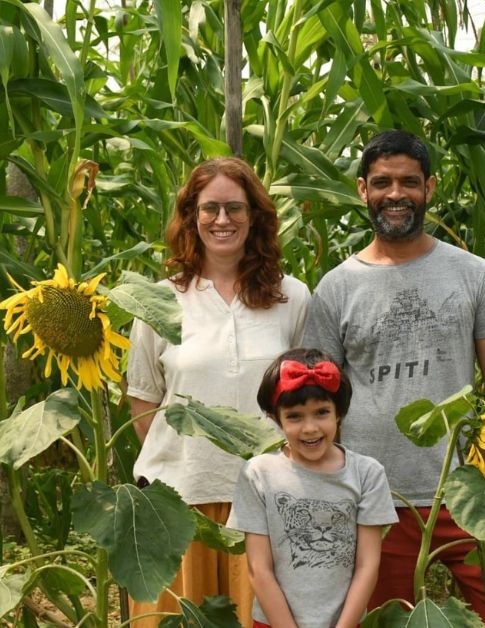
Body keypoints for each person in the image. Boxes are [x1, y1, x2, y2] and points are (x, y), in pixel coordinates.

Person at [302, 130, 485, 627]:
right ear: (362, 189)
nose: (395, 194)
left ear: (430, 188)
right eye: (382, 182)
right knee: (381, 622)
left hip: (466, 490)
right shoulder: (337, 287)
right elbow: (321, 398)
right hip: (375, 496)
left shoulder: (470, 273)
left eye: (408, 182)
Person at [125, 157, 310, 627]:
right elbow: (144, 400)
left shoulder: (292, 298)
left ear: (256, 216)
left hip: (266, 499)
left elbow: (309, 400)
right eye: (209, 209)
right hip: (178, 500)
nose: (222, 220)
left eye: (235, 208)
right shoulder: (158, 299)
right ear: (191, 217)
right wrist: (183, 465)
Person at [227, 348, 398, 628]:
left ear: (339, 413)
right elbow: (259, 569)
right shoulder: (258, 474)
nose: (310, 428)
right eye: (294, 416)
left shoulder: (367, 474)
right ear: (274, 417)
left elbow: (368, 565)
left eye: (321, 413)